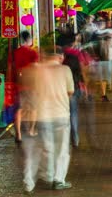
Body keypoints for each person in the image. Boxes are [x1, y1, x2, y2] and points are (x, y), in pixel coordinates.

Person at [20, 47, 75, 194]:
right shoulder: (65, 70)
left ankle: (43, 177)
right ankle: (58, 180)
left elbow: (28, 87)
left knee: (45, 147)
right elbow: (70, 91)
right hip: (61, 114)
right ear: (59, 57)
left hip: (42, 115)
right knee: (62, 149)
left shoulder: (37, 70)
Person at [10, 30, 40, 144]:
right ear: (29, 40)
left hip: (18, 85)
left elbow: (10, 69)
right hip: (31, 85)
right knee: (33, 108)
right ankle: (31, 130)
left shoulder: (14, 53)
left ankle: (18, 134)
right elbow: (35, 69)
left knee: (18, 109)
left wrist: (10, 83)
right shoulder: (33, 53)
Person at [62, 35, 85, 148]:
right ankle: (75, 138)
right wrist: (84, 85)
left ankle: (66, 138)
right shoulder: (76, 54)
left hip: (62, 89)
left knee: (65, 113)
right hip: (74, 87)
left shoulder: (61, 56)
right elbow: (82, 70)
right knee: (73, 113)